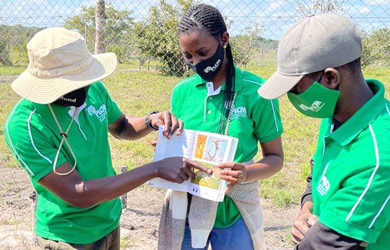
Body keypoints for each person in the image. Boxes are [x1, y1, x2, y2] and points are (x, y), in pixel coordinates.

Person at [4, 27, 210, 250]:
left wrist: (152, 120)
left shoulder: (92, 89)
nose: (84, 87)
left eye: (84, 79)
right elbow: (77, 193)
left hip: (109, 220)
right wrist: (156, 169)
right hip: (69, 236)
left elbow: (121, 126)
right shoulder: (25, 125)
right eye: (74, 83)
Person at [258, 13, 390, 249]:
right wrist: (306, 207)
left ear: (330, 78)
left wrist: (311, 237)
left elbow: (327, 244)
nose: (292, 96)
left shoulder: (380, 156)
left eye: (296, 86)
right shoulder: (337, 112)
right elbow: (319, 168)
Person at [158, 4, 284, 250]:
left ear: (224, 39)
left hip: (232, 212)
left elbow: (276, 158)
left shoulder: (257, 91)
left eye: (203, 52)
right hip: (184, 210)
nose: (197, 62)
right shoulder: (182, 92)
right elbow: (179, 141)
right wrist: (168, 144)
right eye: (188, 56)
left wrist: (245, 173)